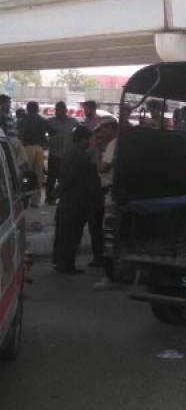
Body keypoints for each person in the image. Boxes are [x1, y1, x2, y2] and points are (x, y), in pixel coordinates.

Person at [52, 126, 101, 275]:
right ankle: (67, 265)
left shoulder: (71, 152)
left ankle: (61, 262)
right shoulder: (79, 155)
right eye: (89, 139)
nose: (90, 142)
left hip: (68, 199)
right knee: (71, 234)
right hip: (75, 200)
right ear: (83, 139)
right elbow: (81, 174)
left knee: (64, 233)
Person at [93, 118, 119, 289]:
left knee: (108, 235)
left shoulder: (113, 144)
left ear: (111, 128)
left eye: (102, 129)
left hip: (112, 193)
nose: (99, 134)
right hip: (116, 191)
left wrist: (97, 155)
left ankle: (110, 278)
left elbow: (102, 168)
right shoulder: (117, 143)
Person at [46, 101, 78, 204]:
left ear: (65, 111)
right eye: (56, 109)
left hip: (67, 155)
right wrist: (46, 142)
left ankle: (63, 198)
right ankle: (50, 198)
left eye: (59, 110)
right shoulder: (50, 122)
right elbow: (42, 133)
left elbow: (79, 135)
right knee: (51, 177)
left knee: (64, 178)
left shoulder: (73, 122)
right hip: (54, 153)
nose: (56, 112)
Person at [20, 101, 49, 206]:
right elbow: (47, 134)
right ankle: (36, 201)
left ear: (28, 108)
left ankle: (25, 199)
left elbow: (21, 134)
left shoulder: (24, 119)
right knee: (38, 174)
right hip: (39, 148)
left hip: (27, 148)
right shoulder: (42, 120)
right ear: (37, 109)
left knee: (26, 174)